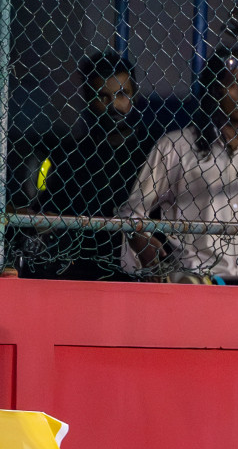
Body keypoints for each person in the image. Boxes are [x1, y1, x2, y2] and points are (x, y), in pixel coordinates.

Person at [120, 49, 238, 282]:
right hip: (200, 280)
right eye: (234, 84)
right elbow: (132, 211)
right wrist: (143, 240)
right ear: (214, 90)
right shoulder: (176, 147)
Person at [11, 53, 156, 279]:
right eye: (103, 96)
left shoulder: (154, 151)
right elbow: (48, 212)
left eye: (121, 94)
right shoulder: (71, 155)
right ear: (89, 99)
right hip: (79, 267)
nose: (113, 105)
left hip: (136, 268)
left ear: (134, 96)